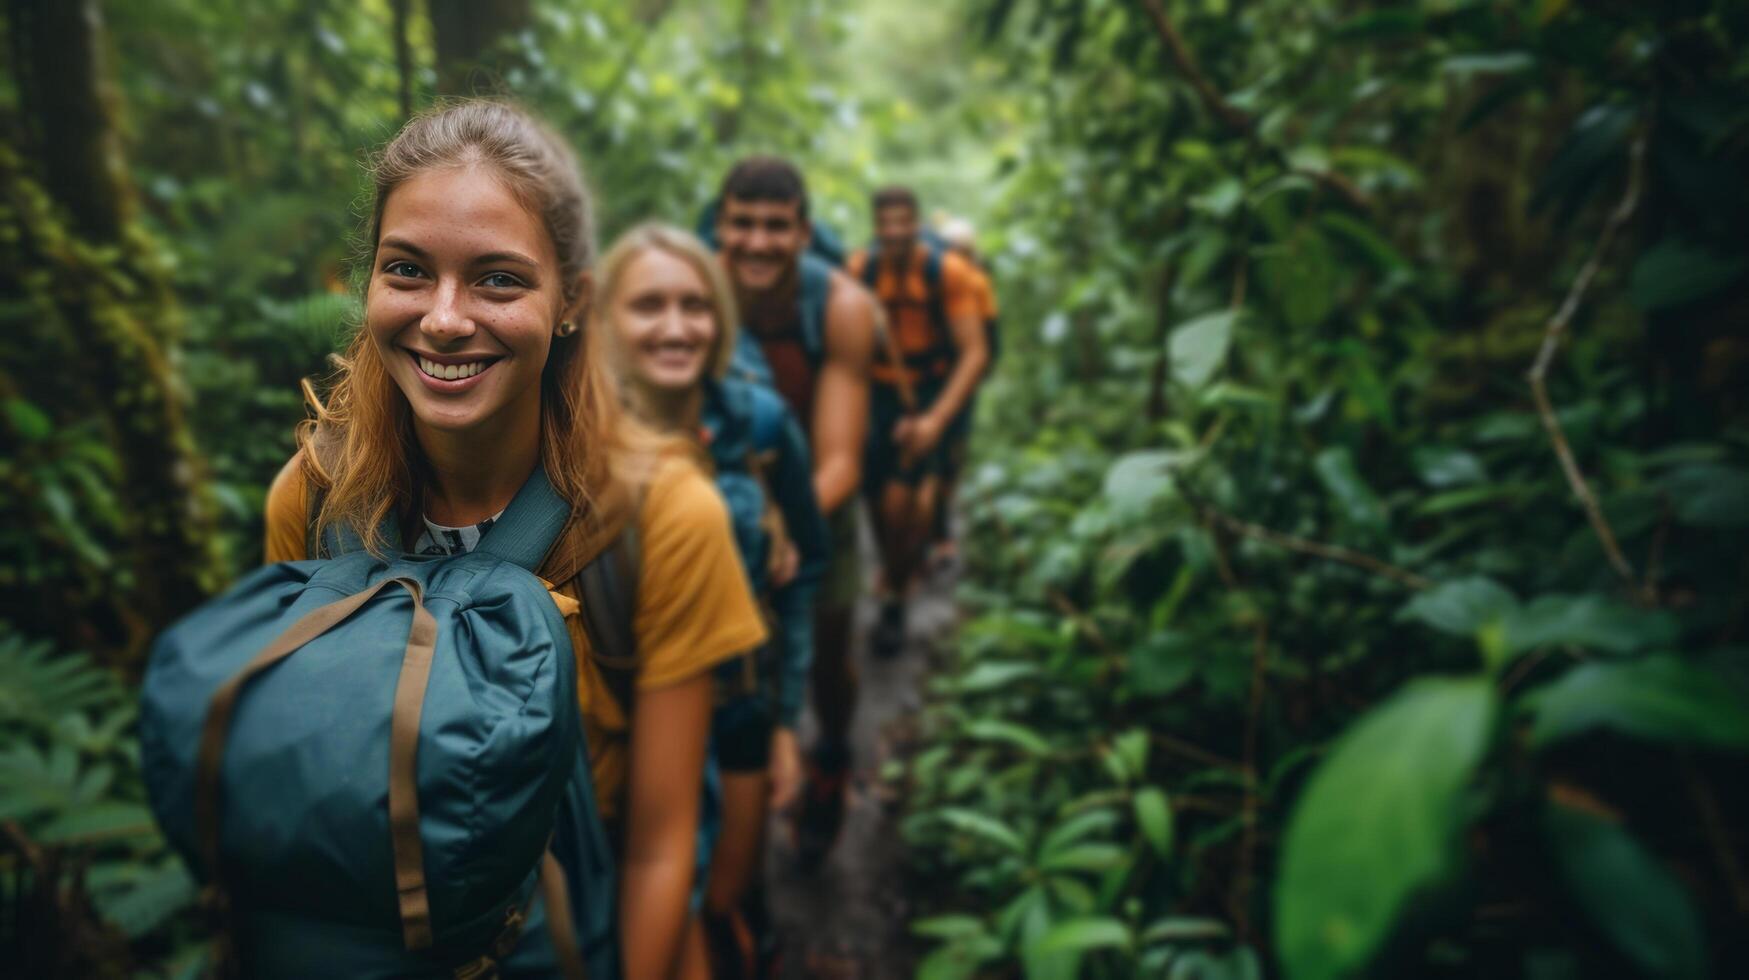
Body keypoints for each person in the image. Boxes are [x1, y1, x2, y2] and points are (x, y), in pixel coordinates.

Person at [261, 100, 767, 978]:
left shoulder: (661, 519)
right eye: (408, 270)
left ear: (571, 300)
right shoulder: (314, 502)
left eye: (498, 279)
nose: (446, 318)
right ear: (369, 283)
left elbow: (657, 844)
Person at [598, 222, 828, 977]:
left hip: (737, 698)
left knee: (718, 890)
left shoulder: (760, 427)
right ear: (604, 321)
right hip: (615, 721)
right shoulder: (568, 439)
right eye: (649, 306)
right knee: (651, 899)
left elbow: (807, 571)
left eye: (695, 306)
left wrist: (788, 722)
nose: (675, 327)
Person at [711, 157, 880, 868]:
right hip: (717, 502)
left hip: (817, 506)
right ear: (720, 228)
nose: (757, 242)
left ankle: (833, 750)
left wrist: (778, 524)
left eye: (775, 227)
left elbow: (840, 458)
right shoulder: (698, 292)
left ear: (803, 233)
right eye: (742, 225)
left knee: (826, 655)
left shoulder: (839, 306)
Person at [849, 187, 989, 659]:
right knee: (878, 500)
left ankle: (897, 592)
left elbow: (975, 353)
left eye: (902, 223)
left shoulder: (947, 273)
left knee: (906, 502)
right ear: (875, 227)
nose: (894, 234)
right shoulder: (859, 271)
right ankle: (895, 575)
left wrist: (934, 420)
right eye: (884, 224)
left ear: (916, 223)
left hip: (931, 390)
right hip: (877, 393)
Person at [928, 217, 999, 566]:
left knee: (948, 459)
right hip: (930, 381)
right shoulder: (934, 279)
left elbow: (987, 340)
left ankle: (939, 531)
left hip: (957, 383)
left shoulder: (975, 283)